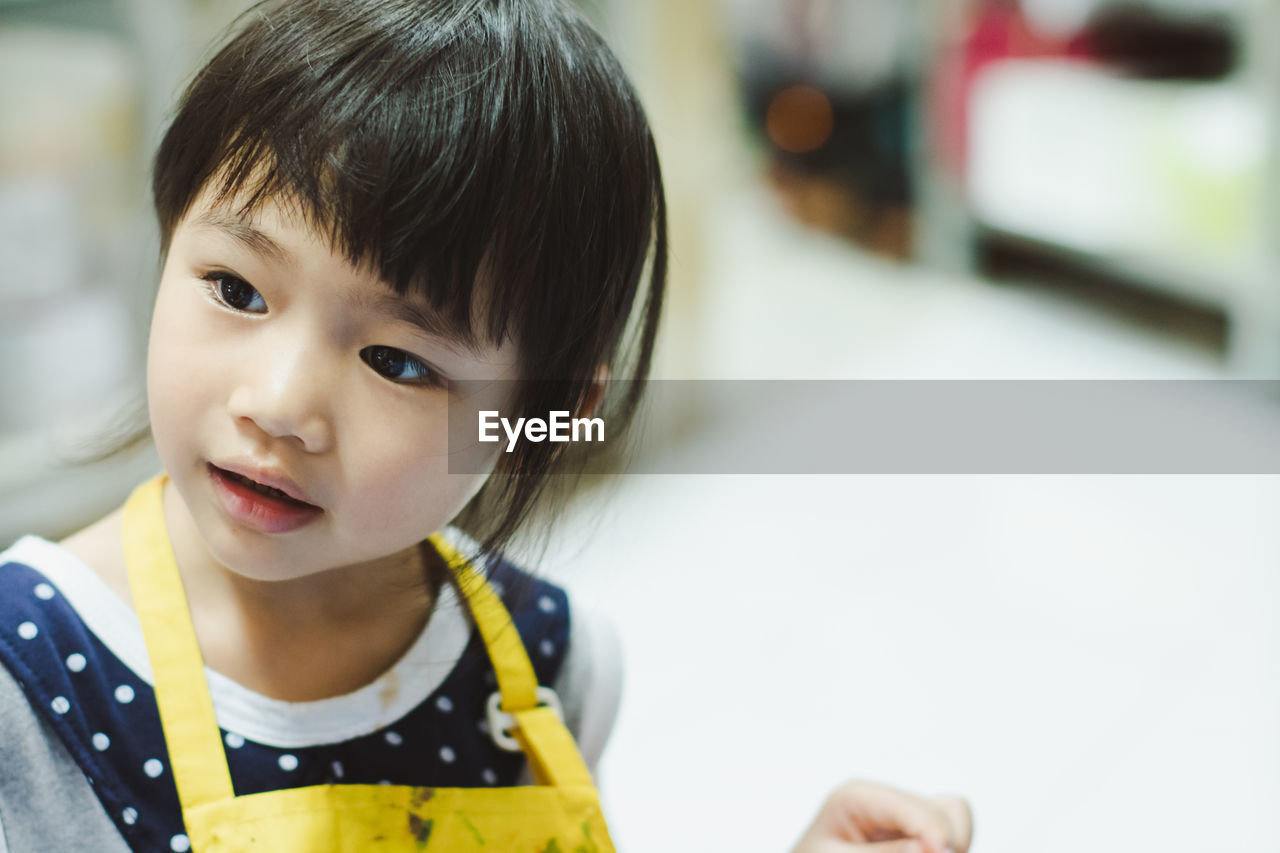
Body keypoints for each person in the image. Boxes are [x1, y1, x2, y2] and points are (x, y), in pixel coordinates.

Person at [0, 1, 972, 850]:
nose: (281, 403)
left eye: (399, 361)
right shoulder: (26, 684)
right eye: (236, 289)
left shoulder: (549, 667)